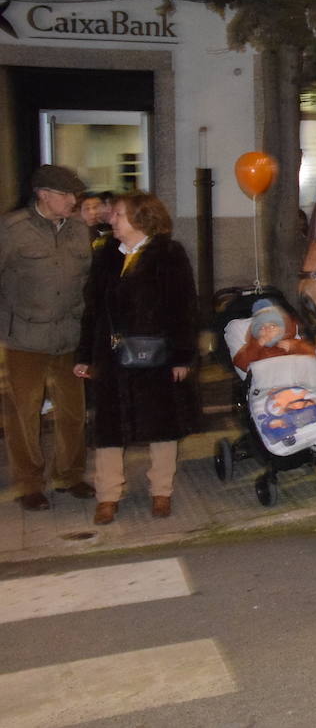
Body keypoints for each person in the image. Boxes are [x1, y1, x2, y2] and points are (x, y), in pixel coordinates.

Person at [74, 192, 200, 525]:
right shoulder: (105, 256)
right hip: (111, 356)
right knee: (108, 427)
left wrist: (183, 356)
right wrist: (85, 354)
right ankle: (108, 496)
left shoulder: (169, 255)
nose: (110, 219)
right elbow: (93, 311)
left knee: (161, 425)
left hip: (156, 356)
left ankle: (161, 491)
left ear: (140, 219)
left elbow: (184, 308)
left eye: (117, 214)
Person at [1, 165, 95, 511]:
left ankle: (69, 475)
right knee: (23, 413)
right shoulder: (13, 230)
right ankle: (29, 483)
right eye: (66, 195)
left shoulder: (79, 229)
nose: (73, 200)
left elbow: (87, 282)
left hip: (69, 336)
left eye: (75, 194)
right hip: (24, 337)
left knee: (73, 411)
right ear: (42, 194)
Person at [232, 298, 316, 371]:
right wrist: (256, 346)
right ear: (256, 333)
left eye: (272, 326)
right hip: (268, 385)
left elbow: (311, 357)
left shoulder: (291, 342)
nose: (267, 330)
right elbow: (241, 364)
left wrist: (294, 347)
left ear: (282, 329)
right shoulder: (255, 347)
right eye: (262, 328)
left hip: (294, 381)